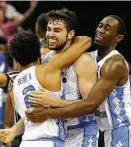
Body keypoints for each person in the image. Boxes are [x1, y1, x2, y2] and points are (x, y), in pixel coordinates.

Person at [26, 15, 131, 147]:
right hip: (106, 130)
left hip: (125, 127)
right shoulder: (89, 57)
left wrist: (48, 113)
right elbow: (80, 40)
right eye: (100, 25)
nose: (100, 30)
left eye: (107, 28)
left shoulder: (114, 63)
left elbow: (90, 105)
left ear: (118, 38)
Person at [0, 30, 91, 147]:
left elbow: (29, 117)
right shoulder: (49, 69)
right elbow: (86, 41)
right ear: (39, 53)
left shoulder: (14, 86)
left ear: (16, 61)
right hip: (50, 141)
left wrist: (13, 130)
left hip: (26, 142)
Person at [29, 8, 99, 147]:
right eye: (49, 29)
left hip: (82, 132)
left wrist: (55, 103)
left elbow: (90, 106)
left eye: (57, 30)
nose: (50, 34)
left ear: (70, 34)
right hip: (56, 132)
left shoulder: (83, 61)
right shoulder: (46, 59)